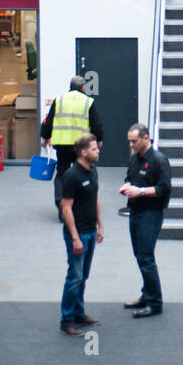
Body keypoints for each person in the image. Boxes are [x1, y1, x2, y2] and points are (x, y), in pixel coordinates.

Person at [119, 123, 172, 317]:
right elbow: (130, 178)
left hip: (150, 214)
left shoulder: (159, 160)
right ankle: (147, 294)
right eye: (129, 141)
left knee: (146, 257)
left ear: (146, 138)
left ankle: (154, 303)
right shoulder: (135, 159)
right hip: (136, 211)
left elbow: (164, 189)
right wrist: (127, 187)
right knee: (140, 255)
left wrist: (139, 191)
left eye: (134, 141)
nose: (131, 144)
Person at [59, 134, 103, 336]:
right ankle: (66, 320)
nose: (98, 151)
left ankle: (78, 312)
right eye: (94, 149)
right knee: (75, 276)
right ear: (84, 152)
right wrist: (75, 237)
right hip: (77, 235)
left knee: (83, 275)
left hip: (91, 231)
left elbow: (95, 200)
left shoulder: (93, 171)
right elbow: (66, 208)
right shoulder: (71, 175)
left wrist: (100, 226)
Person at [41, 75, 103, 209]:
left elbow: (49, 120)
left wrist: (45, 137)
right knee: (84, 172)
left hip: (62, 144)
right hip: (81, 146)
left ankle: (61, 203)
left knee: (62, 173)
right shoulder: (88, 101)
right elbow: (96, 125)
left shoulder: (59, 99)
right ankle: (84, 203)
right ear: (83, 87)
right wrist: (98, 140)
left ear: (70, 86)